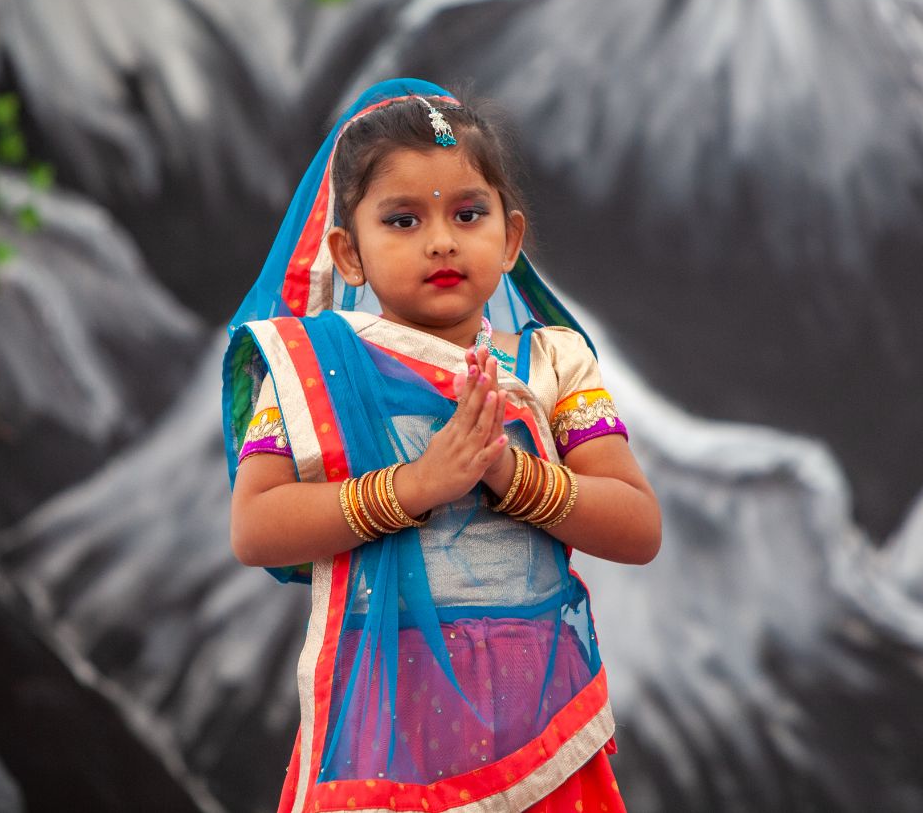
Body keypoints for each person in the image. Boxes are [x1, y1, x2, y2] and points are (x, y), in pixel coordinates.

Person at [222, 78, 661, 812]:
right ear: (348, 252)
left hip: (540, 730)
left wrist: (512, 475)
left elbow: (638, 525)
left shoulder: (551, 364)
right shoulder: (317, 370)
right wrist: (414, 487)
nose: (441, 239)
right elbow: (255, 526)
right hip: (383, 731)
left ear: (510, 237)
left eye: (468, 212)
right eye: (400, 219)